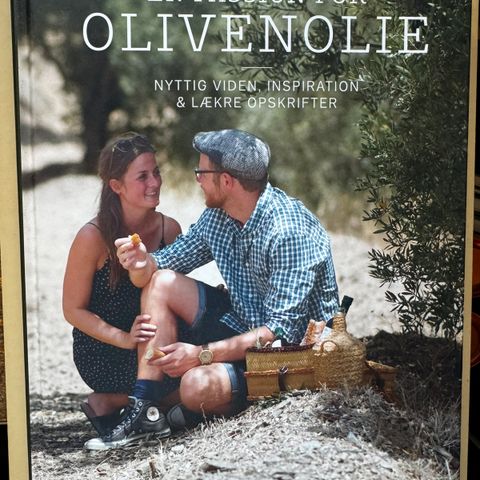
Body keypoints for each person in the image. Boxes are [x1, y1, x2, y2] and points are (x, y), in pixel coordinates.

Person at [84, 129, 339, 450]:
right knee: (161, 282)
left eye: (202, 172)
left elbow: (279, 333)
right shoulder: (218, 217)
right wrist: (140, 262)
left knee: (195, 386)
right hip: (244, 326)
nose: (197, 179)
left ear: (227, 181)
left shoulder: (288, 232)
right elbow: (161, 265)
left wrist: (201, 354)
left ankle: (167, 408)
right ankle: (144, 409)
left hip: (287, 356)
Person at [62, 132, 181, 438]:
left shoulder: (169, 229)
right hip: (106, 351)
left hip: (154, 340)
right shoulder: (92, 237)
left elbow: (176, 292)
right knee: (192, 384)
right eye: (142, 176)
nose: (154, 182)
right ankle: (121, 400)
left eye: (156, 172)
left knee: (204, 367)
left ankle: (115, 404)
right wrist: (125, 338)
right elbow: (72, 310)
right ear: (116, 186)